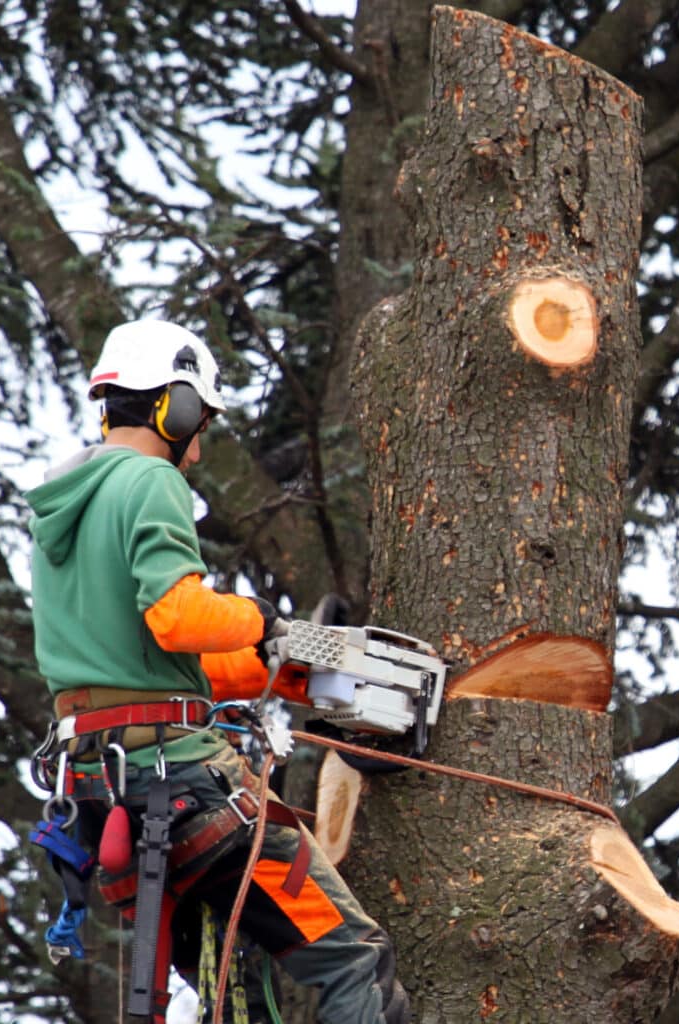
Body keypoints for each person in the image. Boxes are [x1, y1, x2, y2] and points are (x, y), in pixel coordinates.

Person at [26, 318, 410, 1024]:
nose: (198, 448)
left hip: (100, 793)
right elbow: (178, 617)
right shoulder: (149, 479)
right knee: (354, 958)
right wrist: (262, 621)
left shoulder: (64, 514)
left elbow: (150, 667)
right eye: (199, 421)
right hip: (186, 792)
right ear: (173, 405)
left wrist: (284, 676)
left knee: (237, 990)